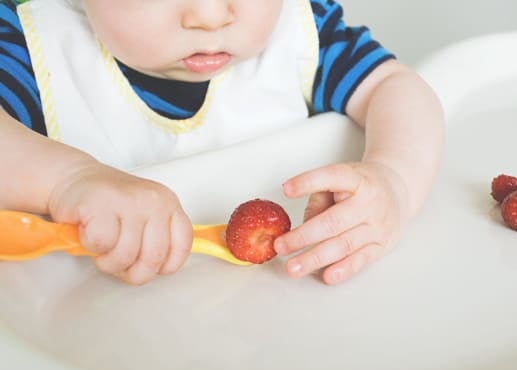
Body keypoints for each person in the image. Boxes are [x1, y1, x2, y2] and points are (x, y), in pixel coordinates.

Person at [0, 0, 444, 285]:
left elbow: (394, 87)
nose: (210, 15)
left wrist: (394, 179)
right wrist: (69, 180)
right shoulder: (31, 46)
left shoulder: (302, 33)